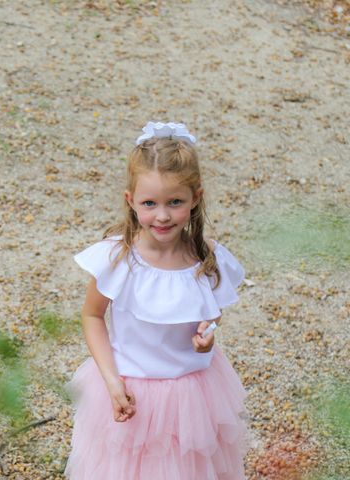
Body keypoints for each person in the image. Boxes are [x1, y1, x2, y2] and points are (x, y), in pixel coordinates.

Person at [64, 122, 248, 479]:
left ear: (195, 197)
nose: (162, 216)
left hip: (193, 396)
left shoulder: (207, 260)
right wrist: (111, 380)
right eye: (150, 203)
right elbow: (92, 316)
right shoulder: (116, 261)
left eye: (174, 202)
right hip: (129, 386)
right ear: (131, 201)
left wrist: (207, 331)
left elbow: (211, 311)